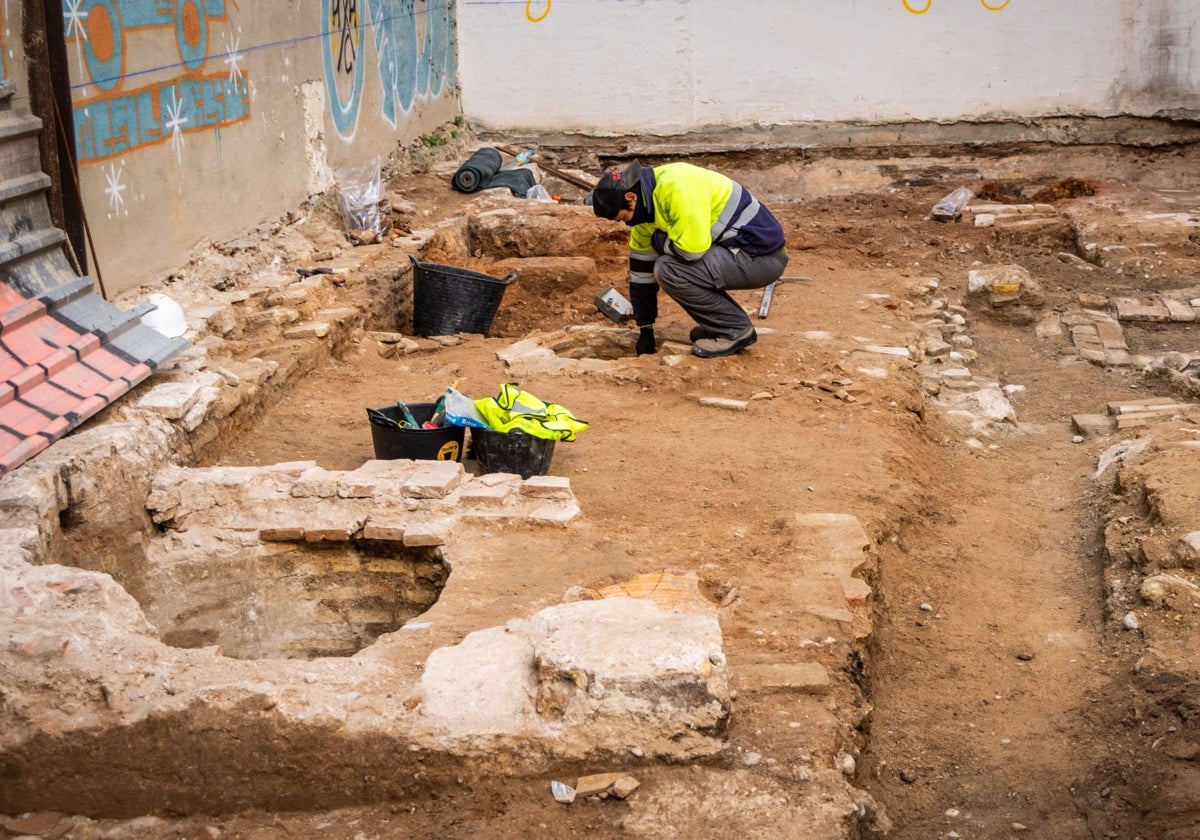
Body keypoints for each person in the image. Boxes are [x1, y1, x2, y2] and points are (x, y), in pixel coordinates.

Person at [591, 160, 788, 358]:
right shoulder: (646, 207)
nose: (627, 224)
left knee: (669, 270)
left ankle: (734, 329)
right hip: (737, 253)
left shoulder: (676, 188)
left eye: (624, 218)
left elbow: (691, 252)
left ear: (631, 197)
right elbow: (641, 274)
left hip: (761, 258)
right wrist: (645, 327)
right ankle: (721, 325)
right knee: (665, 266)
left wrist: (660, 242)